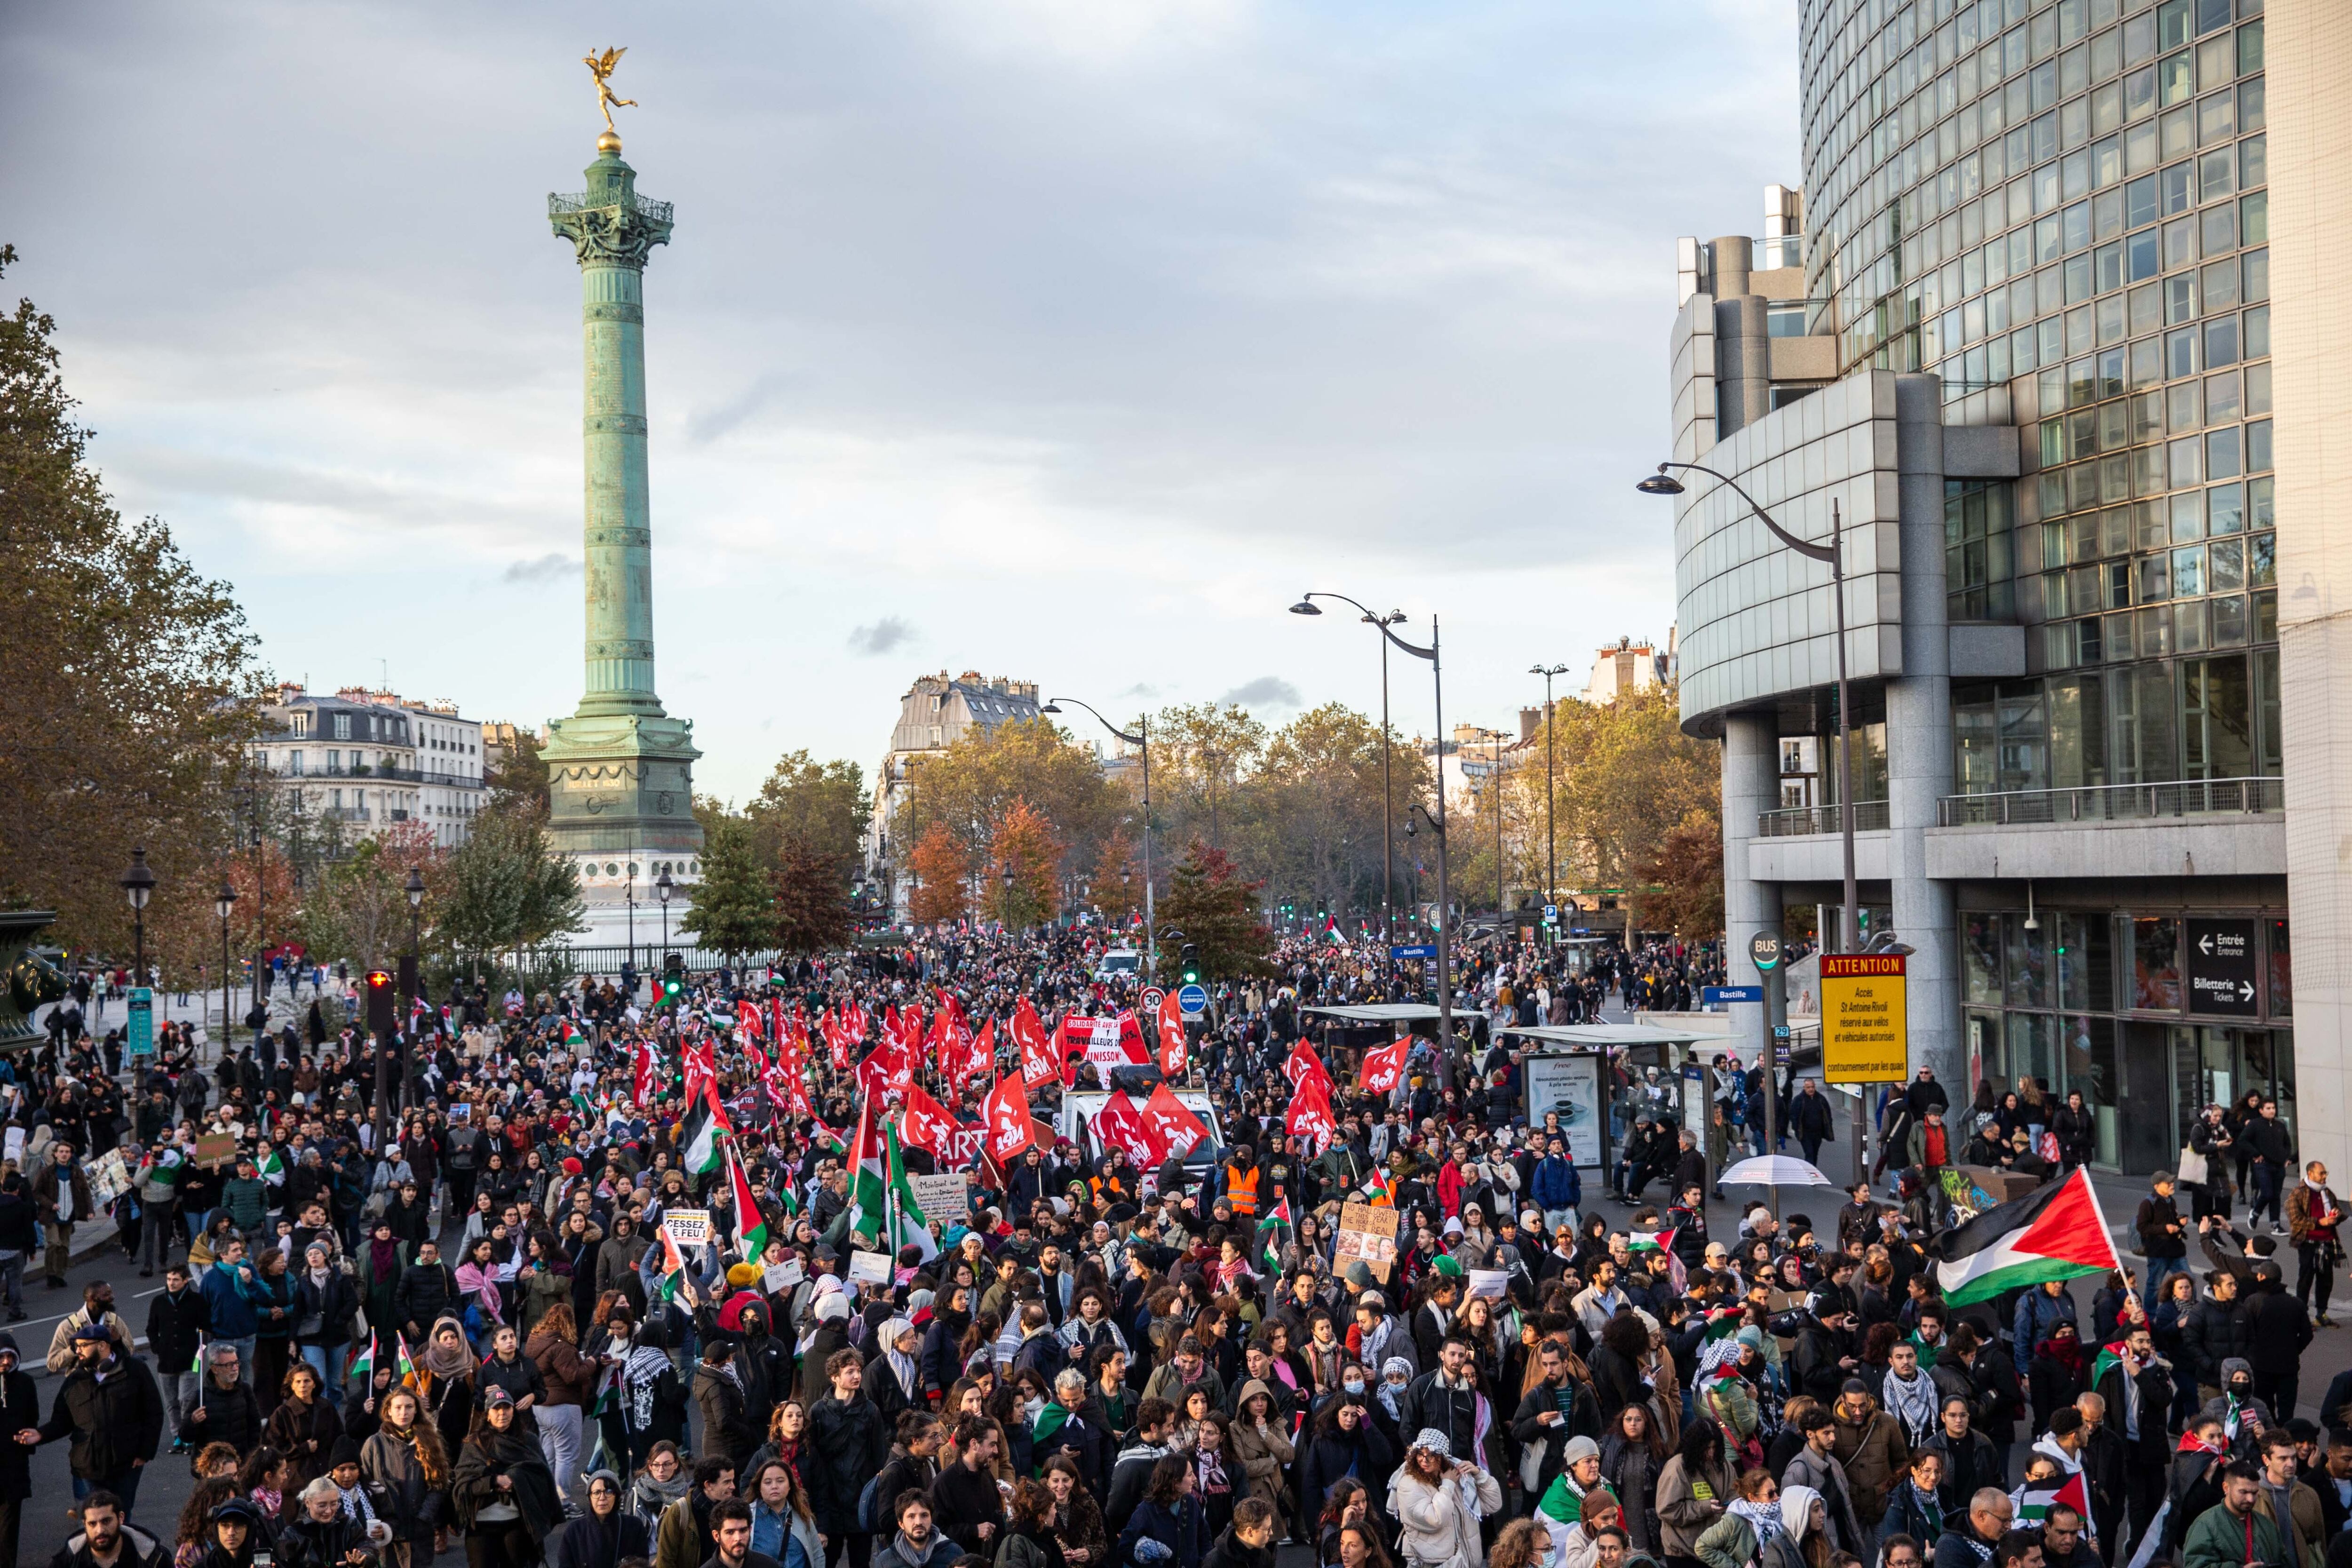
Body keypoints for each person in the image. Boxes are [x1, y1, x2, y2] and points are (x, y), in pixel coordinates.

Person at [28, 1322, 166, 1508]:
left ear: (102, 1345)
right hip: (87, 1468)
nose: (78, 1351)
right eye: (76, 1346)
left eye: (83, 1345)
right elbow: (62, 1421)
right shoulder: (75, 1380)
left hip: (126, 1465)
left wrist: (145, 1453)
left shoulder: (134, 1370)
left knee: (121, 1519)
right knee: (91, 1522)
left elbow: (154, 1414)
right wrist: (41, 1435)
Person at [451, 1385, 561, 1568]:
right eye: (497, 1409)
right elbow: (463, 1486)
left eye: (507, 1408)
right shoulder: (474, 1444)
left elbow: (542, 1479)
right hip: (482, 1526)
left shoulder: (529, 1441)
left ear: (514, 1411)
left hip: (517, 1523)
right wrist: (494, 1482)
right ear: (487, 1414)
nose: (502, 1413)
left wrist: (516, 1478)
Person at [1387, 1429, 1496, 1568]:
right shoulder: (1409, 1485)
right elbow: (1435, 1519)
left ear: (1442, 1458)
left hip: (1464, 1563)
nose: (1425, 1460)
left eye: (1432, 1455)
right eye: (1420, 1454)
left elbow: (1493, 1504)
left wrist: (1480, 1475)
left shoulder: (1457, 1479)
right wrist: (1447, 1486)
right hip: (1433, 1564)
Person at [2179, 1464, 2283, 1568]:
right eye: (2244, 1492)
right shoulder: (2206, 1525)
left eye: (2255, 1493)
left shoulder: (2266, 1524)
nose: (2250, 1499)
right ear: (2226, 1488)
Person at [1116, 1454, 1203, 1568]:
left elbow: (1204, 1535)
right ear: (1175, 1482)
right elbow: (1125, 1547)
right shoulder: (1147, 1511)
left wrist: (1203, 1562)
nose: (1195, 1479)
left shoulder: (1191, 1502)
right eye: (1190, 1475)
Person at [557, 1471, 657, 1568]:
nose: (602, 1497)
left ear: (617, 1496)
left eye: (608, 1492)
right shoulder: (575, 1531)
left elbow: (642, 1562)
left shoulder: (634, 1526)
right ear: (590, 1497)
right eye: (597, 1492)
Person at [48, 1489, 167, 1568]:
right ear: (85, 1524)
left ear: (121, 1518)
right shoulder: (67, 1560)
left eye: (106, 1521)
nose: (100, 1530)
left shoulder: (152, 1558)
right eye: (92, 1524)